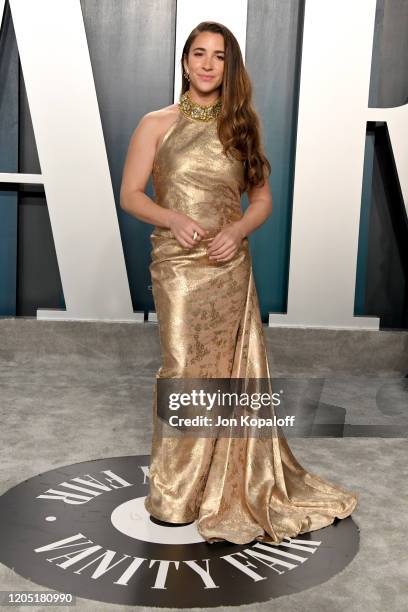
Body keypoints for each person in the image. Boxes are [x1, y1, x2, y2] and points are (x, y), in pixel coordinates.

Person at [120, 21, 358, 545]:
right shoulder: (156, 124)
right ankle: (176, 494)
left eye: (220, 56)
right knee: (183, 368)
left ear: (230, 67)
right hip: (179, 264)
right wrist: (172, 219)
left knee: (232, 374)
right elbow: (131, 194)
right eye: (199, 54)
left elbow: (263, 201)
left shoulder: (241, 126)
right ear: (184, 62)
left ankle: (220, 487)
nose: (208, 64)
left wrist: (236, 229)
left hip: (230, 264)